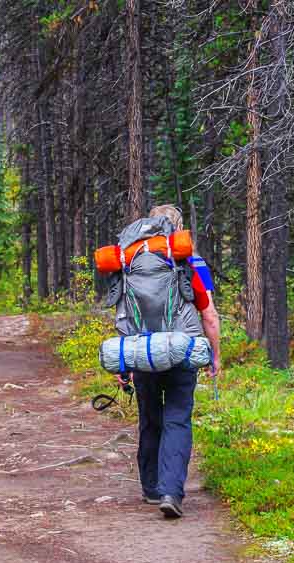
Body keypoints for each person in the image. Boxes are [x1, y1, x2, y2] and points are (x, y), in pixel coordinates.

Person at [127, 204, 221, 519]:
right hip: (182, 351)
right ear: (177, 228)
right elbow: (208, 312)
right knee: (177, 419)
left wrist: (124, 362)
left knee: (150, 418)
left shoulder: (132, 262)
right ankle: (171, 491)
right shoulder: (190, 261)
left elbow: (125, 314)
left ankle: (151, 488)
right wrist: (214, 354)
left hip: (143, 352)